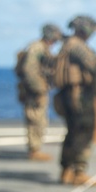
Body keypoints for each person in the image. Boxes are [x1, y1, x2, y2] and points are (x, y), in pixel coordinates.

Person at [53, 15, 96, 186]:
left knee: (73, 132)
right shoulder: (77, 46)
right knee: (84, 131)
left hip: (70, 94)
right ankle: (78, 171)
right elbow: (95, 66)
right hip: (79, 94)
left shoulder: (68, 44)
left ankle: (67, 170)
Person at [15, 23, 62, 162]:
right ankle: (34, 149)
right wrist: (38, 89)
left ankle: (35, 148)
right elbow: (29, 70)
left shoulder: (40, 48)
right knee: (35, 118)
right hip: (34, 91)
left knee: (39, 119)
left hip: (37, 89)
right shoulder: (37, 48)